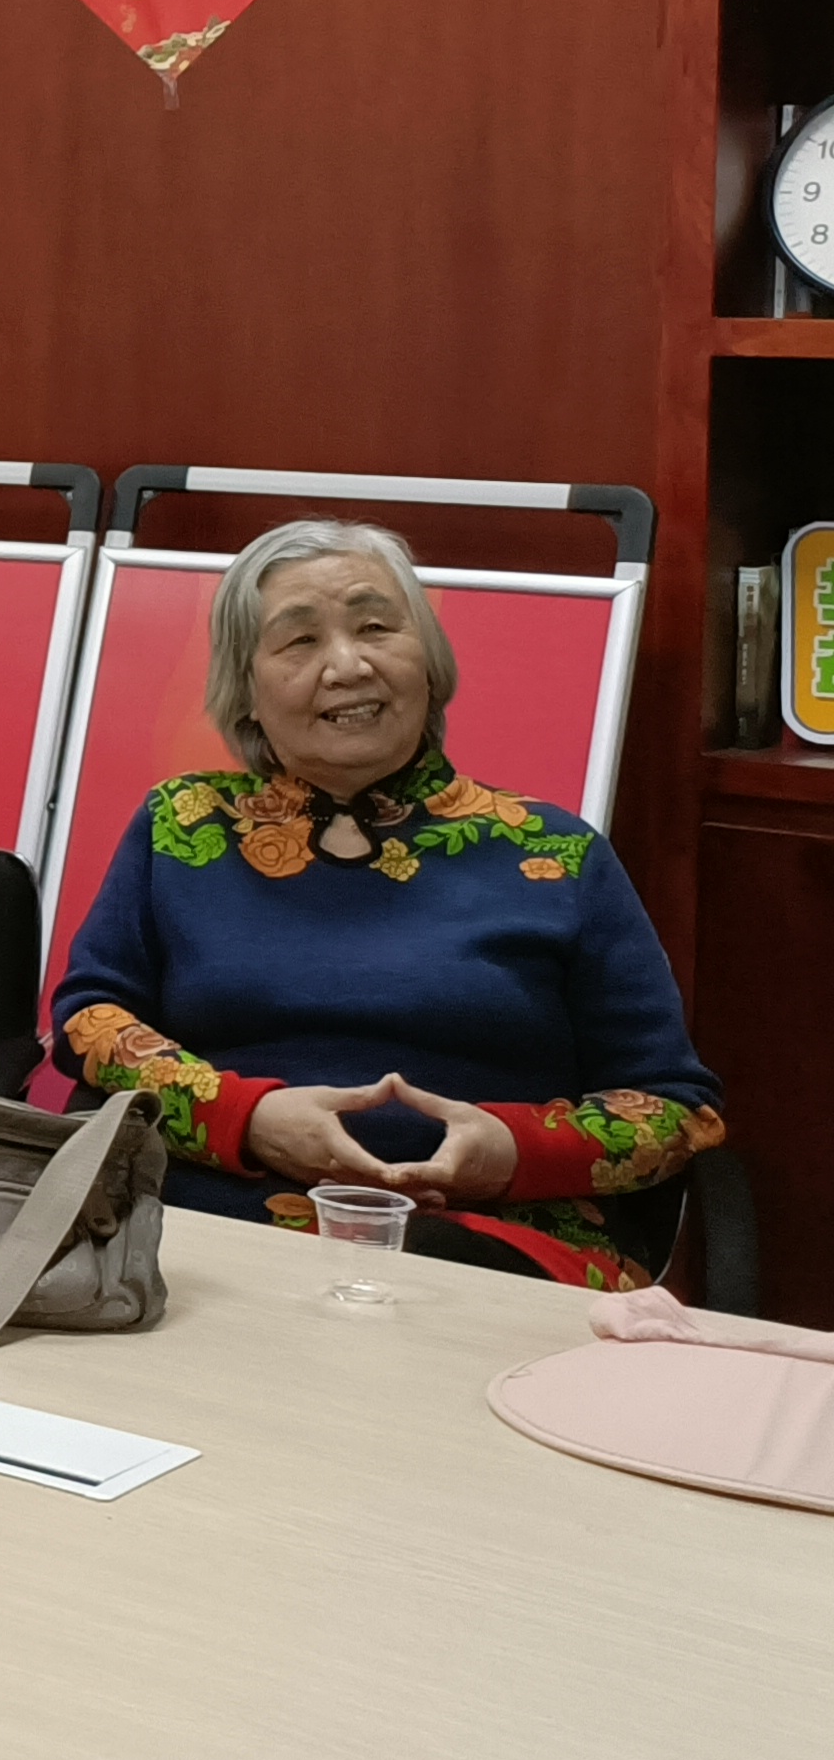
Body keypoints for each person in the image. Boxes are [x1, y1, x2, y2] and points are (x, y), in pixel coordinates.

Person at [52, 519, 722, 1289]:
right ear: (247, 691)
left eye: (375, 628)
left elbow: (675, 1110)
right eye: (300, 641)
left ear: (428, 663)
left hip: (487, 1237)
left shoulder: (555, 851)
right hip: (207, 1221)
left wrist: (510, 1149)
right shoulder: (184, 824)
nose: (348, 665)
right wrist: (246, 1120)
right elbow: (89, 1020)